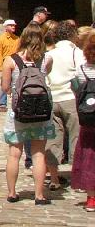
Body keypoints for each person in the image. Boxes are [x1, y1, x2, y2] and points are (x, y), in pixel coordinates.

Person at [2, 23, 55, 204]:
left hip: (19, 112)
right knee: (39, 153)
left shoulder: (11, 60)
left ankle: (12, 193)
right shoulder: (46, 58)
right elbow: (46, 76)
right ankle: (39, 195)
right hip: (41, 112)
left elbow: (5, 87)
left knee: (14, 153)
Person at [45, 21, 85, 190]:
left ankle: (54, 178)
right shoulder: (76, 52)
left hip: (53, 98)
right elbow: (82, 75)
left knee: (53, 139)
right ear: (72, 35)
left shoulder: (49, 54)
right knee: (77, 138)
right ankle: (78, 177)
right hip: (71, 98)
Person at [71, 32, 95, 212]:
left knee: (88, 156)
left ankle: (91, 198)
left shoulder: (82, 68)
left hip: (89, 118)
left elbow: (77, 93)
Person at [0, 20, 20, 112]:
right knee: (4, 84)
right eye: (11, 25)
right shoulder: (0, 39)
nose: (13, 27)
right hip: (6, 62)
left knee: (16, 82)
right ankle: (2, 103)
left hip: (16, 63)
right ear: (6, 27)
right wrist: (1, 66)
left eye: (14, 25)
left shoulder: (17, 38)